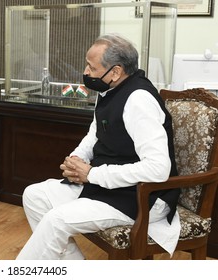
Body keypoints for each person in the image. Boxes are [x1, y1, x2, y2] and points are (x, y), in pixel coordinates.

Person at [16, 34, 181, 260]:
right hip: (108, 186)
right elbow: (94, 135)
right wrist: (76, 160)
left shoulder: (138, 100)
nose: (85, 72)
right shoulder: (109, 91)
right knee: (34, 195)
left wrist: (92, 174)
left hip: (142, 197)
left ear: (115, 72)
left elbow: (158, 169)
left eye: (92, 68)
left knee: (56, 221)